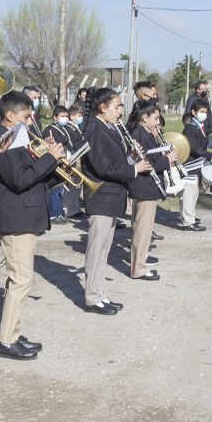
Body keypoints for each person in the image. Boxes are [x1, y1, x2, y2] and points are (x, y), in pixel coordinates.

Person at [0, 90, 63, 360]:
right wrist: (49, 159)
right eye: (26, 116)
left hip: (25, 217)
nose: (31, 122)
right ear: (10, 116)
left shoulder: (19, 140)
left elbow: (35, 180)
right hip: (15, 219)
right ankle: (6, 341)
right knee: (20, 281)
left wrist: (56, 167)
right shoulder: (5, 142)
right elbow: (19, 180)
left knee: (21, 281)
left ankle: (13, 334)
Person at [81, 88, 152, 315]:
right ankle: (92, 298)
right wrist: (134, 168)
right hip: (101, 197)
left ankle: (99, 294)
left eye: (121, 107)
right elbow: (104, 167)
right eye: (117, 106)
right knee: (96, 250)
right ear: (103, 108)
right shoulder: (95, 129)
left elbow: (116, 161)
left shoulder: (108, 127)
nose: (121, 111)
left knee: (103, 251)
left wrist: (131, 156)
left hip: (111, 198)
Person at [128, 101, 171, 279]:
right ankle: (139, 268)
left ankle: (140, 262)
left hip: (146, 187)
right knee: (142, 229)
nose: (157, 121)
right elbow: (147, 163)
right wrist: (167, 160)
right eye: (155, 118)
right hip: (144, 186)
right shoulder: (139, 134)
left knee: (143, 228)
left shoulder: (146, 133)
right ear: (144, 118)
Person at [180, 102, 212, 230]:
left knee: (194, 192)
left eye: (205, 112)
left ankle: (189, 215)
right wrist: (210, 156)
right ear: (194, 112)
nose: (204, 114)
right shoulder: (190, 127)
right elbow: (192, 147)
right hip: (190, 163)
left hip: (197, 163)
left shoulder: (200, 126)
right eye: (202, 112)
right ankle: (188, 220)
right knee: (189, 191)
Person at [44, 104, 75, 223]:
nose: (65, 119)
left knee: (61, 189)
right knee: (55, 189)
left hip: (65, 162)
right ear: (55, 117)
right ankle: (53, 214)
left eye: (66, 116)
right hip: (56, 162)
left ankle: (58, 212)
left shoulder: (64, 129)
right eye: (62, 116)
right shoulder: (49, 130)